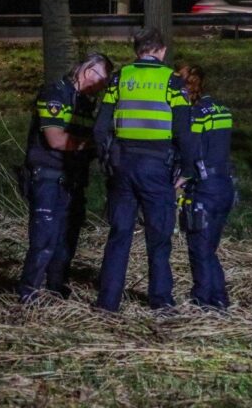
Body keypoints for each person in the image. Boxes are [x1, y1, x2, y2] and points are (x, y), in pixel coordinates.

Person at [93, 27, 195, 312]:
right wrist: (186, 170)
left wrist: (107, 160)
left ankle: (107, 302)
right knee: (159, 235)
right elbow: (184, 132)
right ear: (161, 50)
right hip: (156, 166)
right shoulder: (172, 81)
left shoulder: (120, 78)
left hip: (122, 164)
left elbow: (100, 127)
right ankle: (160, 300)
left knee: (119, 234)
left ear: (137, 50)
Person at [18, 53, 113, 303]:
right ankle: (28, 293)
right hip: (48, 177)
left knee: (66, 240)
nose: (100, 88)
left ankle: (55, 288)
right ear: (87, 71)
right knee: (44, 239)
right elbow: (56, 140)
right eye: (100, 81)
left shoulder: (85, 103)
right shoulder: (55, 94)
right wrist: (94, 145)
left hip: (72, 180)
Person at [177, 65, 234, 310]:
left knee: (200, 247)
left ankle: (210, 299)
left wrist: (183, 176)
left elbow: (192, 149)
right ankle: (212, 296)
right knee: (209, 246)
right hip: (225, 186)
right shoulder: (222, 109)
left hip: (204, 188)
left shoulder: (195, 113)